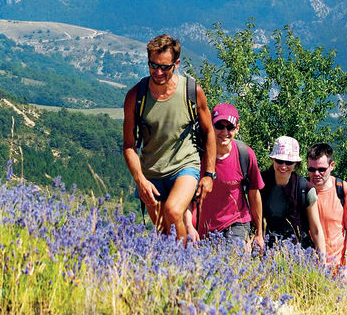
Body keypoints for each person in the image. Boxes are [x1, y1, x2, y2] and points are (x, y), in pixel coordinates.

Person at [122, 34, 216, 241]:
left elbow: (209, 132)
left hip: (185, 165)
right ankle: (182, 263)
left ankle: (184, 264)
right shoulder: (135, 96)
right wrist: (140, 180)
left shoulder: (192, 92)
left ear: (177, 64)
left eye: (165, 67)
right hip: (151, 173)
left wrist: (209, 174)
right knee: (164, 231)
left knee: (173, 212)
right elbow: (129, 145)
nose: (158, 72)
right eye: (153, 65)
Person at [194, 103, 265, 251]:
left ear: (237, 128)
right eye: (219, 125)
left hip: (237, 222)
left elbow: (254, 194)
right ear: (210, 126)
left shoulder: (245, 154)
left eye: (230, 127)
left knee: (230, 260)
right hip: (206, 227)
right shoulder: (198, 156)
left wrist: (259, 233)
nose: (224, 132)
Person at [260, 136, 325, 258]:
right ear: (273, 159)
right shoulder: (260, 183)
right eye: (279, 160)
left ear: (296, 164)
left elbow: (316, 229)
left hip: (297, 250)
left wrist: (323, 260)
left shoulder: (305, 189)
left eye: (289, 162)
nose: (283, 166)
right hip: (265, 248)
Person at [306, 142, 347, 278]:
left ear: (332, 166)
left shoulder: (343, 190)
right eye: (311, 169)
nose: (316, 174)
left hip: (338, 270)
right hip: (307, 269)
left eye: (321, 169)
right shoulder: (302, 189)